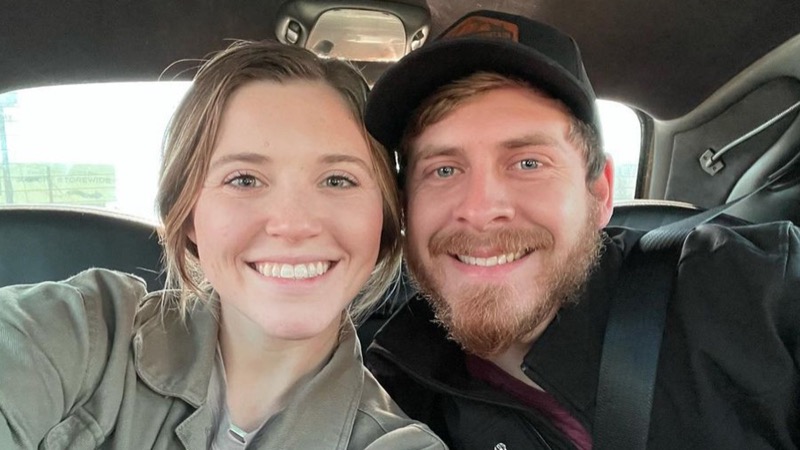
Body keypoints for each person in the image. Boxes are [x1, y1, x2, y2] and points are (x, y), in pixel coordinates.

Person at [363, 9, 800, 450]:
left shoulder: (750, 290)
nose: (479, 210)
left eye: (528, 163)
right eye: (443, 170)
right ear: (404, 205)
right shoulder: (386, 400)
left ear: (600, 192)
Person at [0, 40, 446, 449]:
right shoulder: (82, 330)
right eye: (244, 179)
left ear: (385, 219)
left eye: (337, 180)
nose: (293, 225)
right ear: (188, 214)